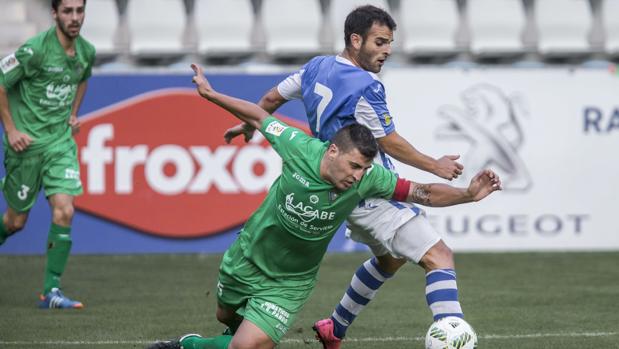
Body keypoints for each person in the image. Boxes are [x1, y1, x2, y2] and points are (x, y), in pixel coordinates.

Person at [146, 64, 501, 349]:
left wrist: (468, 195)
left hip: (291, 281)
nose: (357, 176)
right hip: (248, 256)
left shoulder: (368, 179)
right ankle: (203, 342)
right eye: (352, 166)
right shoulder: (299, 147)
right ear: (332, 151)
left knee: (248, 346)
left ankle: (191, 346)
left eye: (364, 168)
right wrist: (210, 95)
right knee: (226, 318)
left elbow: (420, 192)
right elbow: (258, 114)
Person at [223, 5, 471, 348]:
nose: (386, 51)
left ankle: (334, 328)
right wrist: (435, 165)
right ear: (356, 40)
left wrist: (247, 125)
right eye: (380, 42)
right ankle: (452, 336)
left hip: (338, 190)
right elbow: (389, 141)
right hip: (369, 188)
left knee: (390, 259)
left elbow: (270, 98)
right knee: (439, 256)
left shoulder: (316, 67)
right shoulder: (367, 85)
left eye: (389, 43)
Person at [0, 0, 94, 309]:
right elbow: (1, 81)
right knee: (15, 222)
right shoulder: (35, 50)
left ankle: (51, 292)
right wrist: (11, 130)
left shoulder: (86, 52)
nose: (75, 17)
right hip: (26, 147)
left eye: (79, 10)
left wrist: (73, 113)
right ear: (54, 14)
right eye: (68, 11)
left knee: (64, 210)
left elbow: (82, 78)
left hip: (59, 144)